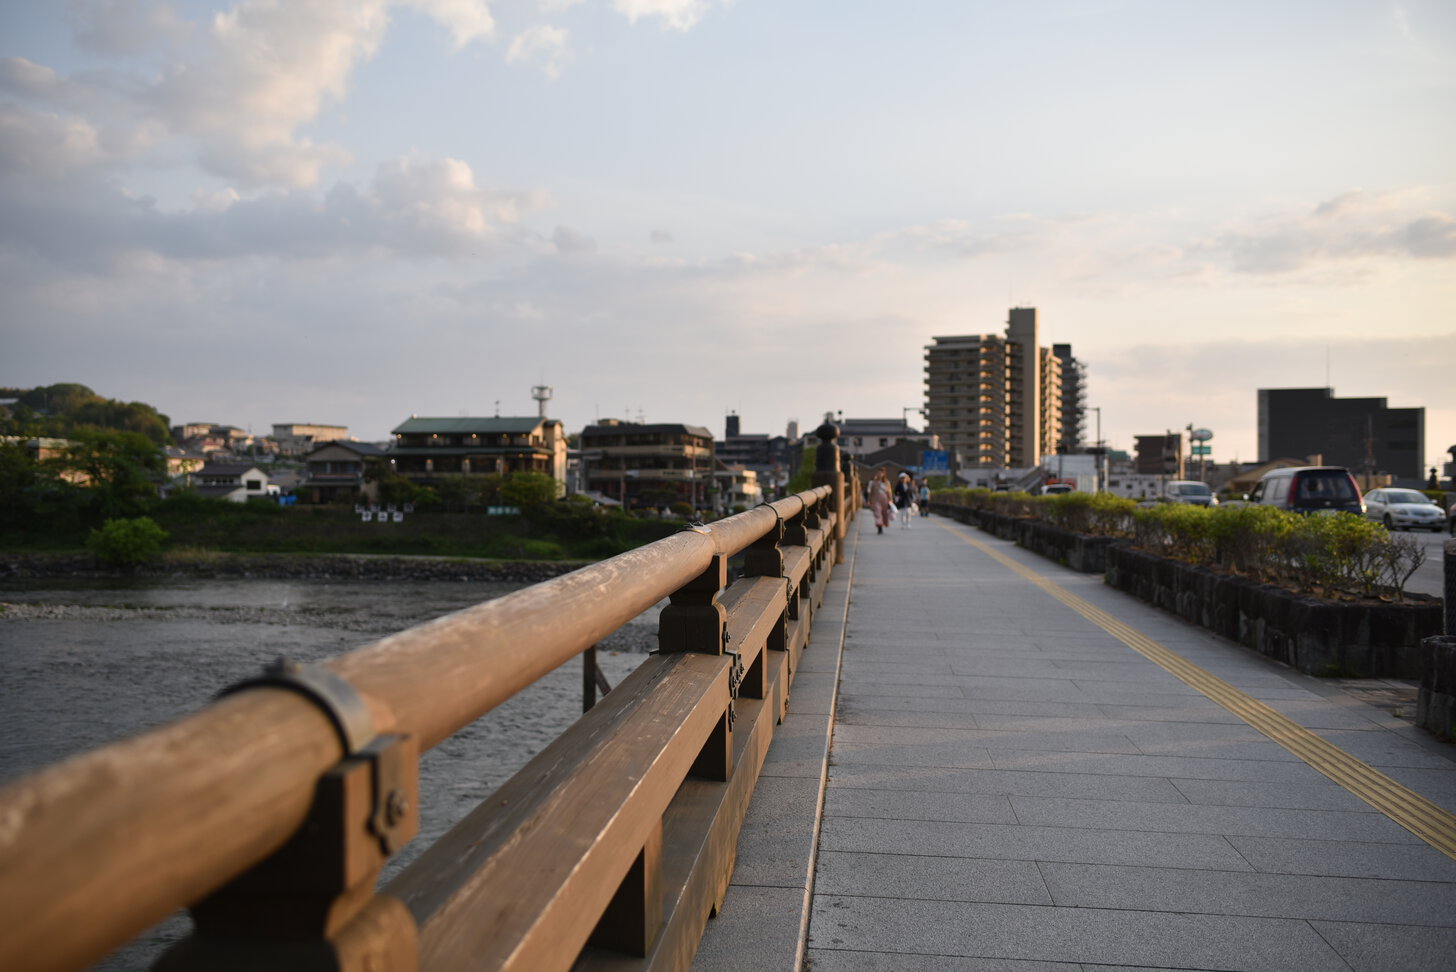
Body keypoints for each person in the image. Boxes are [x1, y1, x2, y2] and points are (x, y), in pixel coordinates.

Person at [868, 469, 894, 534]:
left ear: (883, 474)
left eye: (881, 473)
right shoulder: (874, 482)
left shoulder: (887, 482)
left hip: (884, 499)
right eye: (878, 473)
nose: (879, 474)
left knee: (883, 513)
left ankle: (881, 525)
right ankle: (879, 526)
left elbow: (889, 492)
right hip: (876, 499)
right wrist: (869, 500)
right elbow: (871, 492)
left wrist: (890, 500)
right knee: (877, 512)